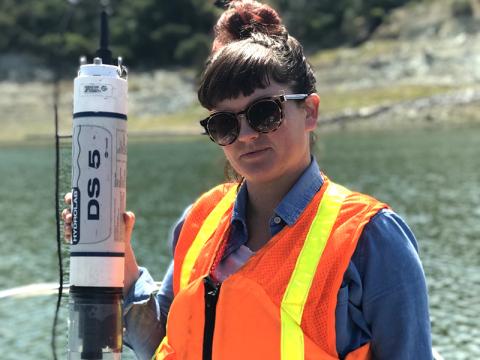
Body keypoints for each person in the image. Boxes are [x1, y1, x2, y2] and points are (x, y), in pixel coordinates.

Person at [63, 1, 432, 359]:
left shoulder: (372, 239)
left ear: (311, 111)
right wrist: (117, 250)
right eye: (224, 123)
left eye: (265, 113)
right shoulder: (199, 219)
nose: (245, 135)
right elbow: (165, 341)